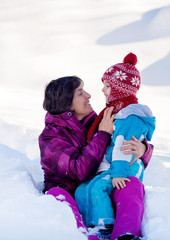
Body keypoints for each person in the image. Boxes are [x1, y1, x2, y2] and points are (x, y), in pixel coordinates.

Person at [38, 76, 153, 238]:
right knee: (57, 194)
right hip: (72, 197)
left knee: (131, 183)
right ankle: (87, 236)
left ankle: (125, 235)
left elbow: (126, 138)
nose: (88, 95)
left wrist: (143, 149)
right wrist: (103, 135)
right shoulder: (51, 137)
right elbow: (79, 171)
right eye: (80, 93)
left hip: (101, 192)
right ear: (66, 102)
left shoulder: (98, 121)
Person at [75, 53, 156, 240]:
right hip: (114, 166)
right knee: (82, 190)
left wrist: (119, 171)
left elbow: (123, 145)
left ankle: (104, 227)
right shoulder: (117, 113)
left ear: (120, 90)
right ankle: (92, 222)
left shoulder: (128, 116)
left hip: (123, 168)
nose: (102, 90)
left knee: (96, 189)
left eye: (108, 86)